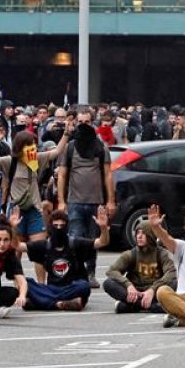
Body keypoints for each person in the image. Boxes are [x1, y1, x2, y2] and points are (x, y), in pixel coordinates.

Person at [57, 109, 114, 288]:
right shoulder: (70, 147)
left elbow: (107, 175)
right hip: (74, 202)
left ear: (92, 123)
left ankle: (90, 274)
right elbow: (62, 175)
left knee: (92, 241)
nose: (83, 125)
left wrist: (111, 200)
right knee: (74, 239)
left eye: (86, 122)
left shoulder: (101, 147)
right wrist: (61, 201)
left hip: (95, 203)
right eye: (79, 122)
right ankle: (76, 274)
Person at [13, 208, 108, 312]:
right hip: (51, 288)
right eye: (56, 226)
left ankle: (43, 301)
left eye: (62, 226)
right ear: (51, 226)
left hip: (71, 288)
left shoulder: (75, 243)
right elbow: (17, 246)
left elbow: (102, 242)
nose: (59, 229)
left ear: (67, 227)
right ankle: (59, 304)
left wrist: (103, 228)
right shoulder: (45, 245)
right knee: (25, 283)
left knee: (84, 286)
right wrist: (13, 228)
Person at [104, 221, 177, 314]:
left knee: (175, 283)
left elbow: (171, 273)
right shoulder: (131, 254)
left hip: (155, 292)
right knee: (108, 283)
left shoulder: (162, 254)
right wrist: (128, 285)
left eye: (143, 233)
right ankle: (151, 306)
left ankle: (133, 306)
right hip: (135, 292)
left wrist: (152, 290)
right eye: (138, 233)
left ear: (151, 235)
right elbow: (111, 271)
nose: (139, 236)